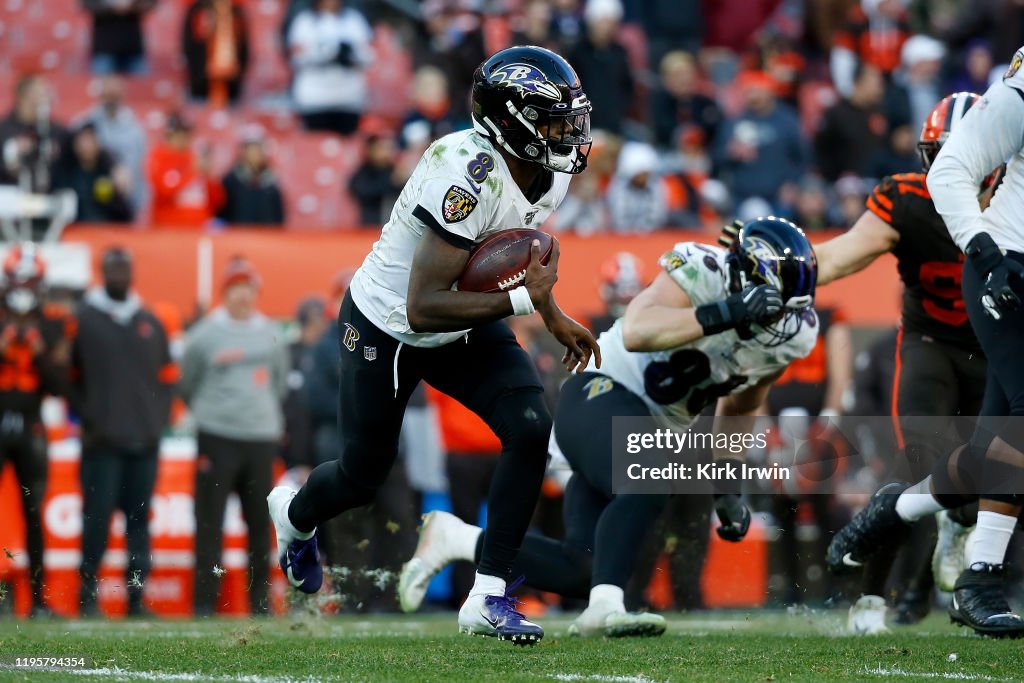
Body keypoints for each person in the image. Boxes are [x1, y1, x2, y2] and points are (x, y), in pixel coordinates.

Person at [266, 45, 599, 645]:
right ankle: (294, 517)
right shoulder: (464, 170)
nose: (567, 134)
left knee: (528, 430)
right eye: (553, 120)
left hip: (460, 317)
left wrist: (552, 310)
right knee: (361, 476)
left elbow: (507, 264)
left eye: (569, 119)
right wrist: (530, 302)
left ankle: (489, 594)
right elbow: (426, 304)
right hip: (390, 324)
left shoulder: (549, 177)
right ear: (512, 121)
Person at [398, 217, 819, 637]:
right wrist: (729, 312)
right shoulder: (702, 270)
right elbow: (639, 331)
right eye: (772, 303)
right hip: (602, 390)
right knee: (650, 478)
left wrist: (728, 487)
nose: (779, 319)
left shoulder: (794, 336)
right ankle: (605, 608)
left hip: (653, 429)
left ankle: (455, 539)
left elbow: (743, 403)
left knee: (584, 567)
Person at [829, 49, 1024, 638]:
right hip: (980, 299)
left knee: (995, 446)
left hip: (986, 331)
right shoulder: (911, 199)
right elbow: (843, 253)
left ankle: (898, 508)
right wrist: (985, 251)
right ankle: (976, 576)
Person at [181, 258, 289, 616]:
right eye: (236, 289)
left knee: (260, 525)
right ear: (225, 293)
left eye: (248, 289)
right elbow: (187, 382)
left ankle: (260, 603)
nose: (243, 296)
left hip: (260, 437)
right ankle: (203, 603)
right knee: (209, 523)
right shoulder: (204, 334)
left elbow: (279, 382)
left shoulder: (270, 333)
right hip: (217, 435)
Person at [72, 247, 175, 617]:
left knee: (139, 525)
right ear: (102, 272)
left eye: (124, 267)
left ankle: (135, 598)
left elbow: (167, 379)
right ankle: (87, 596)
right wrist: (89, 417)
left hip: (144, 442)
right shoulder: (83, 320)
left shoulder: (150, 321)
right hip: (101, 443)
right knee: (96, 521)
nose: (119, 273)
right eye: (112, 267)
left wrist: (156, 421)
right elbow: (67, 376)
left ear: (132, 272)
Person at [0, 245, 72, 617]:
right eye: (20, 278)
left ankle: (39, 602)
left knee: (34, 513)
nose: (24, 286)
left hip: (30, 423)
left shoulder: (52, 322)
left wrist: (40, 352)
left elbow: (61, 385)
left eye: (31, 279)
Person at [287, 0, 374, 136]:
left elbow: (369, 56)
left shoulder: (354, 20)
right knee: (314, 147)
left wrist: (349, 53)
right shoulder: (304, 21)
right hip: (315, 98)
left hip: (348, 97)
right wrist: (323, 53)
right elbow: (295, 58)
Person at [78, 75, 148, 213]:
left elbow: (137, 171)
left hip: (122, 202)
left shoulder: (135, 131)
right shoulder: (84, 124)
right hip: (88, 200)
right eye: (108, 94)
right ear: (101, 94)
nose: (111, 99)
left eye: (114, 95)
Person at [148, 112, 224, 228]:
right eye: (179, 134)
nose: (183, 138)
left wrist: (210, 177)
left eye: (186, 134)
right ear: (169, 135)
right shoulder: (159, 156)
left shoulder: (194, 157)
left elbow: (217, 201)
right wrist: (192, 172)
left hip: (199, 226)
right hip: (169, 226)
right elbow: (164, 191)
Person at [54, 123, 134, 224]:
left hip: (105, 229)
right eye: (83, 141)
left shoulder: (108, 171)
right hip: (75, 229)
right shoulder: (65, 172)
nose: (87, 147)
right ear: (75, 144)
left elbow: (124, 212)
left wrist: (120, 191)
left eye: (91, 141)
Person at [183, 0, 250, 106]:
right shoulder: (198, 10)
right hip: (201, 87)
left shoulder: (235, 12)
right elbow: (191, 46)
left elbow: (243, 46)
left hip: (231, 89)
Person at [219, 128, 285, 225]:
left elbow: (278, 215)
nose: (254, 153)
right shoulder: (231, 180)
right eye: (250, 149)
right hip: (238, 236)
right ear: (243, 151)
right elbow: (223, 213)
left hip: (266, 236)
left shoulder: (271, 181)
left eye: (257, 149)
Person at [82, 0, 155, 76]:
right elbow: (86, 4)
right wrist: (112, 5)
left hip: (133, 48)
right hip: (104, 49)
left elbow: (151, 3)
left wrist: (131, 5)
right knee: (101, 84)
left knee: (142, 86)